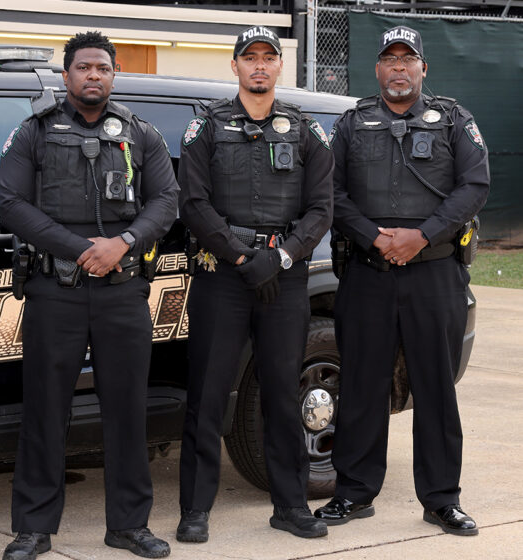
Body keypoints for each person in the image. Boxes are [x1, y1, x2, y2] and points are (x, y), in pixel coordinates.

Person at [0, 31, 178, 560]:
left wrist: (122, 242)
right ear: (66, 75)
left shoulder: (141, 134)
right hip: (56, 289)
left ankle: (128, 525)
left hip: (123, 291)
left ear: (113, 74)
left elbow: (166, 199)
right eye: (83, 67)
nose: (92, 75)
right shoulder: (33, 132)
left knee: (127, 410)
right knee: (45, 410)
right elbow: (11, 203)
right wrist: (81, 249)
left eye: (102, 67)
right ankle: (33, 529)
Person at [314, 25, 489, 536]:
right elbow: (331, 190)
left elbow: (474, 185)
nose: (398, 67)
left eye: (407, 59)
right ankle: (353, 492)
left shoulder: (454, 119)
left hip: (434, 273)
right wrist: (373, 238)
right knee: (363, 385)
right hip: (368, 273)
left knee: (435, 387)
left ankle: (441, 499)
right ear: (377, 69)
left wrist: (422, 235)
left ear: (422, 69)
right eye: (389, 58)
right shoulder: (352, 123)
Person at [176, 25, 334, 542]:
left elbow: (321, 209)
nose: (260, 65)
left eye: (269, 57)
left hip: (284, 278)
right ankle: (196, 508)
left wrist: (283, 256)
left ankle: (290, 505)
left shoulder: (307, 132)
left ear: (279, 67)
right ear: (236, 66)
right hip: (222, 274)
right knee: (208, 391)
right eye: (251, 57)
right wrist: (245, 256)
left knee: (284, 394)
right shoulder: (206, 129)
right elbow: (193, 204)